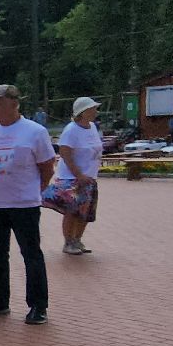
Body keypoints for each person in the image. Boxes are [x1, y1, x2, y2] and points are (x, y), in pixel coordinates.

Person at [0, 85, 55, 324]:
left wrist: (36, 192)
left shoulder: (34, 132)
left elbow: (47, 166)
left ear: (14, 103)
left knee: (31, 254)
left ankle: (38, 306)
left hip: (24, 204)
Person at [47, 97, 104, 256]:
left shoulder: (92, 127)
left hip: (90, 177)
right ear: (83, 112)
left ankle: (77, 239)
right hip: (72, 179)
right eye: (92, 109)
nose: (95, 112)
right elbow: (65, 152)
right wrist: (78, 174)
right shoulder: (71, 129)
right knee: (72, 211)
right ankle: (68, 242)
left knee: (85, 212)